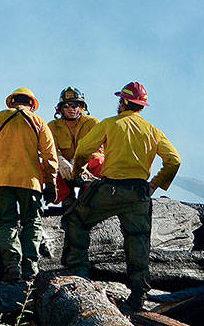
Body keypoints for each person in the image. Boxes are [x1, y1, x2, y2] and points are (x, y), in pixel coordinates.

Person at [64, 82, 181, 311]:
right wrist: (155, 185)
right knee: (138, 241)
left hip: (110, 189)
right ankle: (138, 296)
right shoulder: (152, 131)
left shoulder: (110, 124)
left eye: (120, 100)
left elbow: (84, 151)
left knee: (76, 219)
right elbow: (174, 160)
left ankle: (80, 273)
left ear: (124, 102)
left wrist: (77, 173)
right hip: (139, 194)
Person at [0, 88, 58, 281]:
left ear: (12, 102)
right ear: (32, 104)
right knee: (32, 223)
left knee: (7, 222)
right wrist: (50, 182)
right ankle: (31, 269)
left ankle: (12, 266)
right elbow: (49, 156)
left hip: (1, 180)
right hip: (30, 182)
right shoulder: (38, 121)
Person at [46, 87, 103, 209]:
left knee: (101, 162)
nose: (71, 109)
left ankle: (87, 196)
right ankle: (66, 197)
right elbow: (49, 149)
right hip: (63, 172)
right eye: (66, 106)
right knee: (44, 165)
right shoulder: (52, 126)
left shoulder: (93, 123)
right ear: (60, 109)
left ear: (82, 107)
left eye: (75, 105)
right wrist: (60, 160)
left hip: (86, 170)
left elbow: (99, 148)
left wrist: (80, 161)